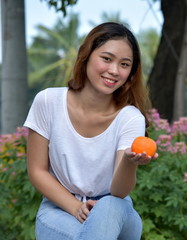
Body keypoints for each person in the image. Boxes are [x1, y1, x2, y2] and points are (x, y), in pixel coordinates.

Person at [24, 22, 157, 240]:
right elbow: (37, 171)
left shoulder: (130, 118)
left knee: (109, 206)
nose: (114, 71)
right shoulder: (48, 101)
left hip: (116, 211)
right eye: (106, 59)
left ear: (131, 72)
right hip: (59, 208)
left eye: (124, 64)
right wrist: (75, 206)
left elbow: (119, 192)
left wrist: (128, 162)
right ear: (86, 55)